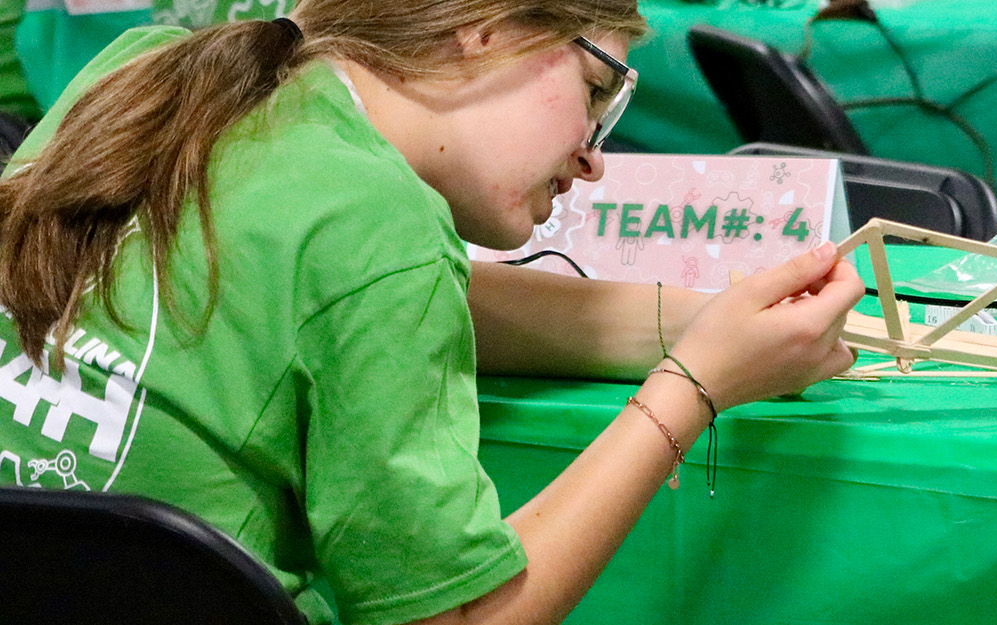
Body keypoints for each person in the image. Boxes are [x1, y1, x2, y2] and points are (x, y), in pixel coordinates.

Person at [0, 2, 862, 625]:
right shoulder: (382, 224)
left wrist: (702, 325)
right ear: (483, 26)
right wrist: (696, 387)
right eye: (597, 88)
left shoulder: (139, 76)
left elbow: (326, 302)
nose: (595, 157)